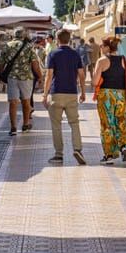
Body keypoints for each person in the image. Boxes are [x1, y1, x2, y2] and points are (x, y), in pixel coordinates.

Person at [43, 28, 87, 165]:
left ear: (57, 39)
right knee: (74, 123)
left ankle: (58, 154)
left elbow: (49, 75)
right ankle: (78, 149)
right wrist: (83, 92)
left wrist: (45, 95)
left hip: (57, 92)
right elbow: (81, 74)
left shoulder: (53, 54)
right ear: (69, 39)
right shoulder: (75, 54)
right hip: (72, 93)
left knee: (56, 125)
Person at [91, 36, 126, 162]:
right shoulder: (124, 60)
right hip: (121, 95)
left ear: (107, 48)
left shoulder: (102, 61)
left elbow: (94, 82)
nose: (100, 48)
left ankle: (109, 154)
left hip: (106, 95)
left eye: (102, 46)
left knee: (107, 124)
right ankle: (124, 146)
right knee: (121, 121)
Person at [0, 28, 40, 136]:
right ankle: (25, 124)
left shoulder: (7, 46)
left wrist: (1, 75)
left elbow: (1, 63)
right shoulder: (28, 47)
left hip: (12, 77)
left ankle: (13, 127)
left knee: (13, 102)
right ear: (23, 35)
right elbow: (35, 64)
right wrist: (40, 76)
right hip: (26, 78)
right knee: (26, 101)